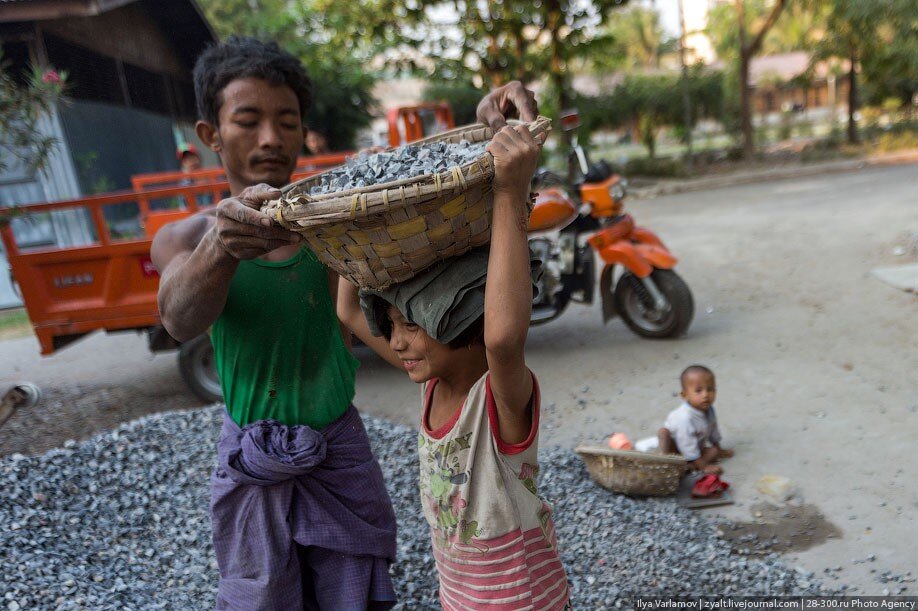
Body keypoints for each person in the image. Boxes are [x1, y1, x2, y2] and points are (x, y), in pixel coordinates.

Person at [150, 35, 538, 611]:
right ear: (211, 134)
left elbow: (439, 222)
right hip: (254, 454)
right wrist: (221, 250)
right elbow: (179, 319)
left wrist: (493, 132)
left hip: (338, 446)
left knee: (351, 595)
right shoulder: (186, 239)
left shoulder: (338, 229)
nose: (269, 138)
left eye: (287, 121)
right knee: (263, 597)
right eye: (248, 120)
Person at [338, 124, 571, 610]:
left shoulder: (498, 399)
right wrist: (349, 220)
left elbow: (503, 339)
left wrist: (510, 192)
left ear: (462, 320)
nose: (396, 340)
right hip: (461, 599)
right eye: (393, 325)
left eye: (411, 324)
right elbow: (350, 314)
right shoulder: (430, 383)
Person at [658, 365, 734, 474]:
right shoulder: (684, 417)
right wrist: (704, 467)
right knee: (663, 432)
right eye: (698, 391)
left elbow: (713, 430)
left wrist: (718, 449)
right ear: (685, 395)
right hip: (675, 449)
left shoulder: (709, 410)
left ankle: (690, 467)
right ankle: (664, 463)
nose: (706, 395)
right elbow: (686, 445)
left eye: (710, 389)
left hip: (695, 447)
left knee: (714, 451)